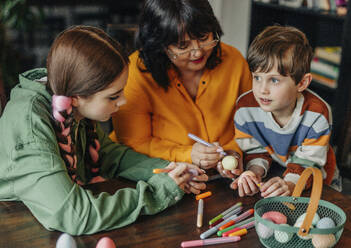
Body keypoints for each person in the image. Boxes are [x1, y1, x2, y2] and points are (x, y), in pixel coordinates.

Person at [0, 25, 208, 235]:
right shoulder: (30, 128)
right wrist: (157, 192)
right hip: (17, 226)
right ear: (77, 97)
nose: (124, 101)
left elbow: (109, 155)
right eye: (113, 96)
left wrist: (171, 170)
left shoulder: (68, 97)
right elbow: (75, 215)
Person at [110, 0, 252, 178]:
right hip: (156, 174)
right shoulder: (136, 73)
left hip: (221, 178)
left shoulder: (234, 61)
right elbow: (134, 143)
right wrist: (188, 154)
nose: (198, 52)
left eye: (203, 38)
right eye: (182, 46)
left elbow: (250, 125)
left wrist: (233, 153)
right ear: (160, 44)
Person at [230, 25, 341, 198]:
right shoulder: (245, 108)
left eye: (274, 80)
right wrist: (254, 173)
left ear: (302, 83)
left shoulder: (316, 114)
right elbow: (256, 151)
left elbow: (308, 165)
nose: (262, 90)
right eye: (257, 77)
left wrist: (289, 185)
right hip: (279, 173)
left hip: (319, 184)